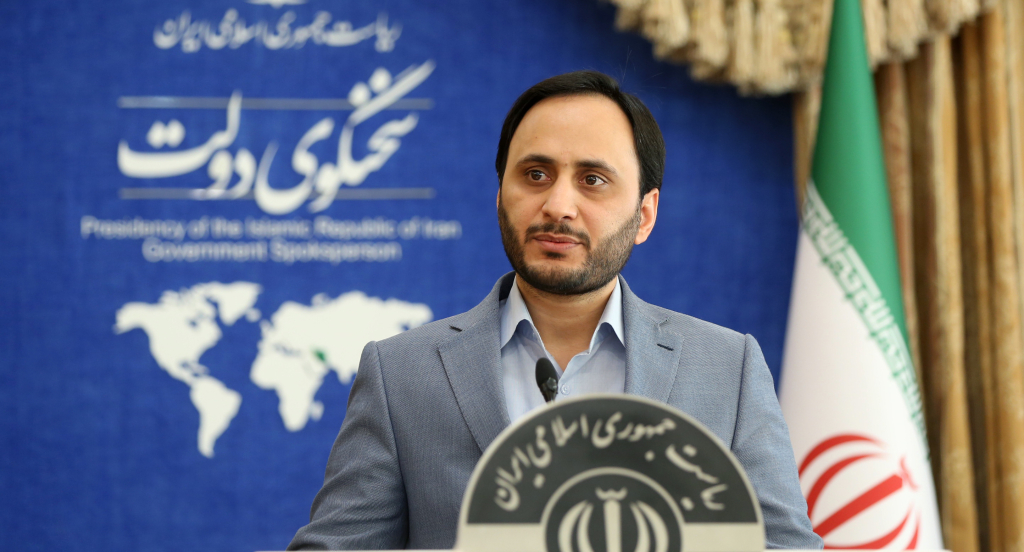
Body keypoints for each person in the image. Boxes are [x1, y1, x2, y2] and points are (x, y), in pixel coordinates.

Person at [289, 71, 821, 550]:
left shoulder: (727, 368)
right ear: (500, 195)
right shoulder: (401, 373)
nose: (558, 206)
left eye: (593, 180)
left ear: (645, 215)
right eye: (536, 174)